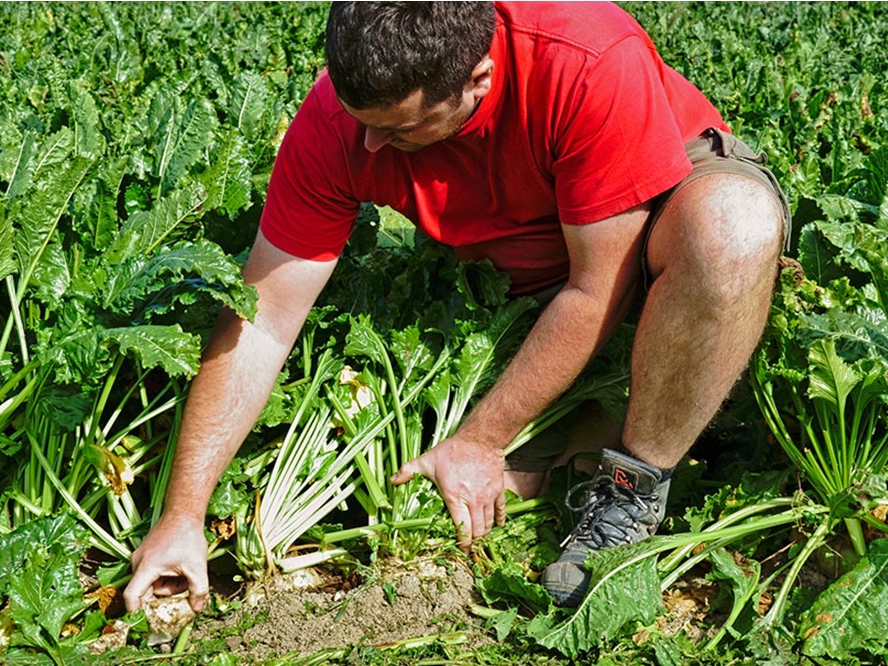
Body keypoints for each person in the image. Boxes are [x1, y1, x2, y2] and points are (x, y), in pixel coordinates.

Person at [124, 1, 789, 612]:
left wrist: (479, 440)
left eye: (400, 130)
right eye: (364, 124)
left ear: (479, 79)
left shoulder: (585, 59)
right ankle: (633, 414)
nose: (373, 147)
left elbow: (596, 289)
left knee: (732, 228)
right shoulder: (341, 120)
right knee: (481, 496)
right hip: (528, 275)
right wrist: (183, 511)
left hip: (645, 228)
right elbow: (265, 316)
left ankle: (634, 487)